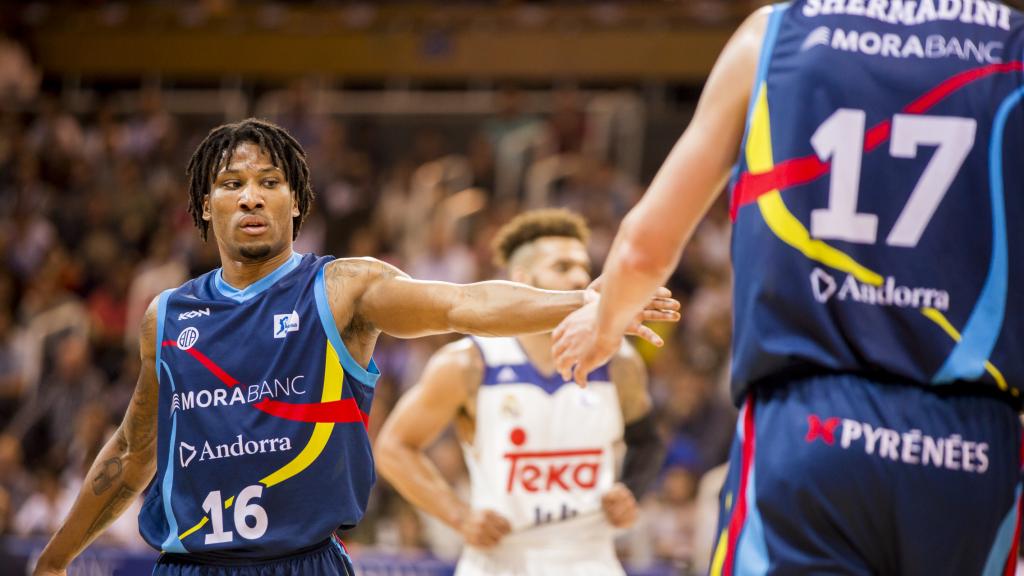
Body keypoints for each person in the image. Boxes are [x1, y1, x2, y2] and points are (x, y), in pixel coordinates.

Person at [30, 118, 680, 576]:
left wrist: (588, 301)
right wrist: (55, 560)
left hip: (306, 562)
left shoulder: (342, 289)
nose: (251, 195)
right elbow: (132, 452)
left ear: (296, 203)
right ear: (205, 207)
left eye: (270, 182)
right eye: (231, 183)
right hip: (190, 564)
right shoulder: (167, 315)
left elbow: (462, 303)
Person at [552, 2, 1024, 574]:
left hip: (811, 427)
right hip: (972, 440)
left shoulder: (774, 34)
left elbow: (644, 249)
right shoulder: (1013, 46)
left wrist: (605, 325)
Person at [375, 209, 666, 576]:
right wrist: (460, 517)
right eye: (562, 267)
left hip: (591, 556)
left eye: (584, 266)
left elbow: (648, 441)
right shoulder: (469, 363)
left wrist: (631, 491)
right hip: (501, 558)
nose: (580, 277)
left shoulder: (619, 361)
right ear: (523, 280)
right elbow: (393, 447)